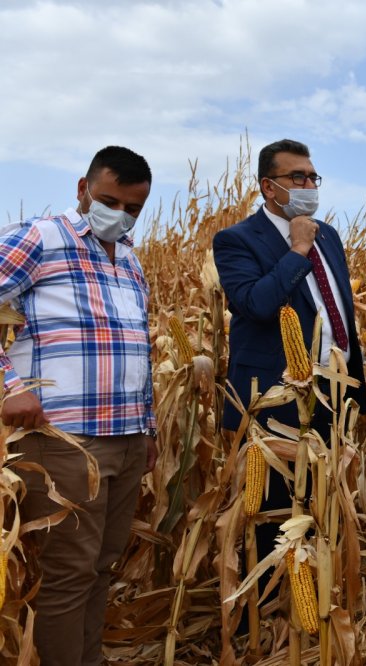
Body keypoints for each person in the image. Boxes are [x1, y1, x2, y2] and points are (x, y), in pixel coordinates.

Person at [0, 146, 158, 666]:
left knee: (102, 567)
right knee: (69, 572)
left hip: (128, 439)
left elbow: (137, 346)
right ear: (82, 189)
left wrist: (148, 429)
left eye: (133, 207)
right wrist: (8, 387)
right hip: (66, 440)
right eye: (109, 200)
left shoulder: (130, 260)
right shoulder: (41, 239)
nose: (120, 214)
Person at [213, 139, 366, 593]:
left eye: (312, 177)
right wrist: (297, 251)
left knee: (326, 501)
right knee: (271, 510)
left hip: (332, 392)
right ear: (268, 186)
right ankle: (261, 607)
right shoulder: (236, 240)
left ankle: (319, 598)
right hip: (274, 398)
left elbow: (339, 309)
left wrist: (353, 383)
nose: (307, 186)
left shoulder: (330, 235)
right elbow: (256, 304)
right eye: (296, 177)